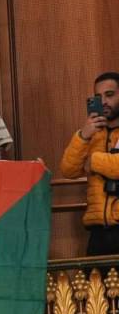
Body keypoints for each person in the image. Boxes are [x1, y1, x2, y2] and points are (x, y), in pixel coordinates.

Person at [60, 72, 119, 255]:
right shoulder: (92, 133)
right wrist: (83, 136)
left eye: (110, 95)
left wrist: (93, 161)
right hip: (98, 231)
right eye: (98, 97)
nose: (104, 102)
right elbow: (68, 170)